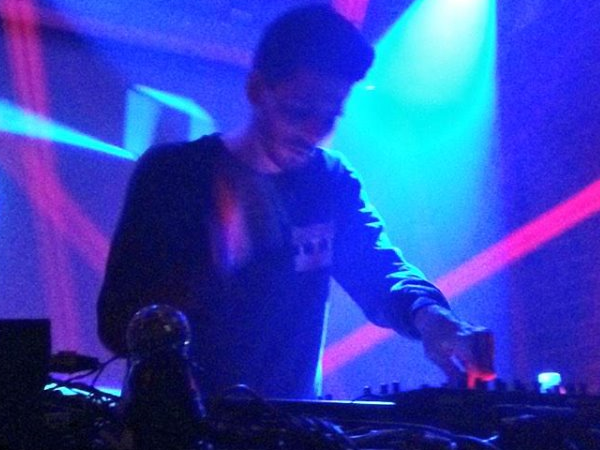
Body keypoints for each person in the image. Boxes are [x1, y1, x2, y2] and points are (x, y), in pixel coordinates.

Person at [97, 4, 494, 399]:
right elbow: (116, 323)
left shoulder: (329, 182)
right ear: (257, 90)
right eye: (300, 110)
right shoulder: (172, 175)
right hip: (177, 425)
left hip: (292, 426)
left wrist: (429, 316)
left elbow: (379, 270)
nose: (315, 130)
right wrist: (217, 261)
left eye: (331, 116)